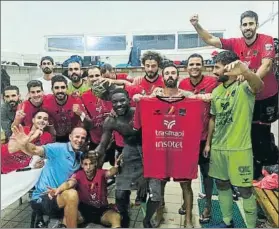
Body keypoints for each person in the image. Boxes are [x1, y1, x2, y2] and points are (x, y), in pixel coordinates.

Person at [190, 11, 279, 180]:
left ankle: (270, 164)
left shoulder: (266, 40)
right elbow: (210, 39)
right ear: (240, 27)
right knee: (248, 132)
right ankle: (252, 170)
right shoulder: (235, 43)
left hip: (266, 96)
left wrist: (249, 81)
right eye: (244, 24)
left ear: (256, 25)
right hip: (247, 96)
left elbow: (266, 66)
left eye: (251, 24)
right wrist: (196, 25)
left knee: (261, 132)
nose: (248, 28)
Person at [135, 62, 211, 228]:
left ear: (178, 76)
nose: (170, 76)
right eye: (167, 73)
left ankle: (189, 218)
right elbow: (141, 107)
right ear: (163, 77)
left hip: (182, 147)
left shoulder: (188, 96)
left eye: (173, 73)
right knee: (160, 183)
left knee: (186, 185)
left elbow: (201, 103)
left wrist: (204, 98)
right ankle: (160, 212)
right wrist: (138, 99)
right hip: (160, 147)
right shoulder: (154, 96)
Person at [205, 50, 263, 228]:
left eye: (217, 67)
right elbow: (213, 118)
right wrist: (208, 143)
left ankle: (251, 226)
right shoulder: (215, 91)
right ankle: (227, 221)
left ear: (229, 69)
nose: (214, 71)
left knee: (245, 190)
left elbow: (258, 85)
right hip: (218, 148)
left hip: (240, 148)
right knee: (221, 184)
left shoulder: (244, 86)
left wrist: (244, 71)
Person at [9, 126, 88, 228]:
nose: (79, 140)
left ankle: (63, 224)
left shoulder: (80, 156)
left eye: (83, 138)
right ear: (70, 137)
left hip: (60, 197)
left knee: (80, 217)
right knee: (72, 194)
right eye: (77, 137)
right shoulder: (58, 148)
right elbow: (35, 150)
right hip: (42, 198)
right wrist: (24, 144)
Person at [92, 88, 145, 228]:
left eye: (122, 100)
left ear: (129, 100)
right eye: (115, 102)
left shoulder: (139, 113)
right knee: (121, 192)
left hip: (149, 151)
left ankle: (153, 214)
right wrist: (94, 155)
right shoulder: (111, 120)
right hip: (129, 151)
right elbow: (103, 144)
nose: (119, 104)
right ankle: (124, 217)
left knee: (151, 190)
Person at [179, 53, 218, 224]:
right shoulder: (182, 84)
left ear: (203, 65)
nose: (194, 67)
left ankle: (208, 205)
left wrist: (208, 143)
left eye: (198, 64)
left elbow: (213, 115)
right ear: (186, 67)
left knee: (207, 176)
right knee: (184, 175)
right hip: (187, 140)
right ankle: (185, 202)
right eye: (191, 64)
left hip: (204, 138)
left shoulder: (212, 83)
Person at [48, 152, 122, 228]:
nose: (88, 167)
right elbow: (69, 184)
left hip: (101, 210)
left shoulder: (101, 173)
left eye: (91, 164)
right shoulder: (78, 175)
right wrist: (58, 189)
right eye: (85, 164)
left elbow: (112, 172)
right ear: (82, 165)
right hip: (83, 210)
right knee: (67, 215)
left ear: (95, 163)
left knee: (116, 217)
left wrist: (116, 166)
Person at [42, 75, 91, 142]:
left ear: (67, 88)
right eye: (56, 88)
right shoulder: (46, 101)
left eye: (63, 87)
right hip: (56, 138)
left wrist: (81, 113)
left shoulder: (76, 100)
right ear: (52, 89)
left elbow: (89, 123)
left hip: (74, 138)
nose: (60, 91)